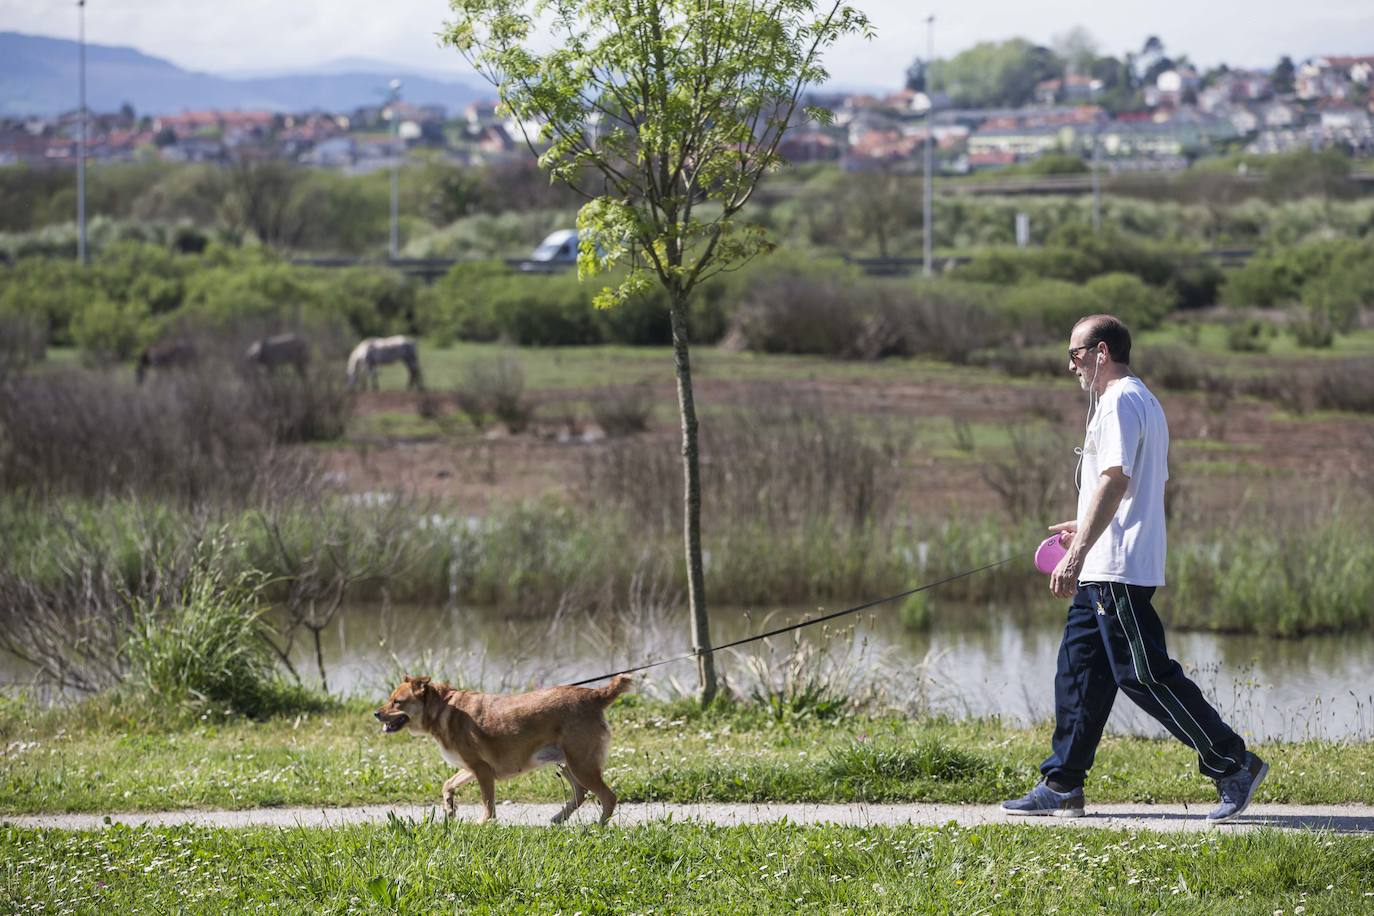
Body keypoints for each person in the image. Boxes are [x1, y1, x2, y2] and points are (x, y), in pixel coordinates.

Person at [1002, 314, 1267, 824]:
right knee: (1079, 671)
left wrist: (1077, 551)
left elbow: (1117, 480)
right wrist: (1079, 527)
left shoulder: (1122, 400)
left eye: (1075, 354)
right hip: (1104, 564)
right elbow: (1123, 487)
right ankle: (1062, 784)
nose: (1070, 365)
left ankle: (1234, 764)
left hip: (1117, 567)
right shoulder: (1131, 399)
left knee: (1144, 674)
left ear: (1101, 352)